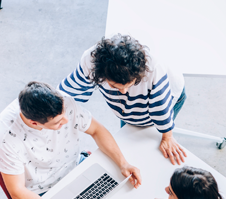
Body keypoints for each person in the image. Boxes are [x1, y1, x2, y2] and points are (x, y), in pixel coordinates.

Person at [0, 81, 142, 199]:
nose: (66, 120)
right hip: (44, 191)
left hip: (77, 166)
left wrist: (123, 163)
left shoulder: (63, 101)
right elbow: (17, 192)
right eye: (58, 122)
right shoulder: (7, 137)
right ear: (34, 123)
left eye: (64, 113)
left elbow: (97, 130)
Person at [59, 34, 188, 165]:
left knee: (145, 148)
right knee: (128, 137)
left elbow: (161, 109)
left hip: (168, 96)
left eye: (129, 86)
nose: (124, 92)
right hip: (133, 105)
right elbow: (67, 93)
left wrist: (167, 136)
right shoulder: (90, 61)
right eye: (115, 86)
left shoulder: (154, 69)